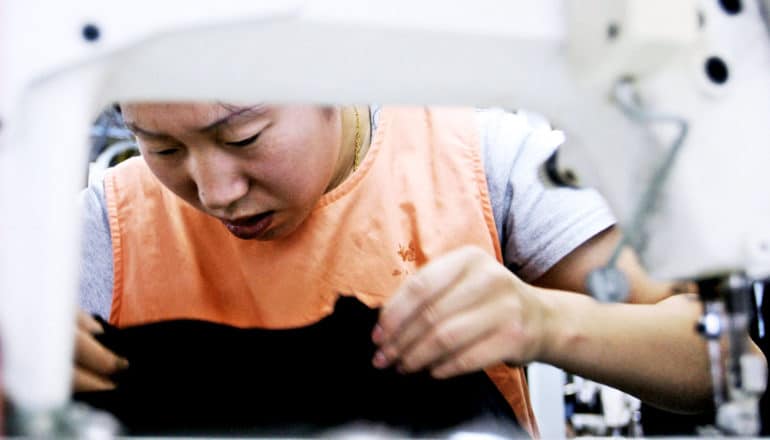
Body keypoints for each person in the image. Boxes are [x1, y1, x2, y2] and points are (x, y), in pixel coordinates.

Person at [75, 103, 732, 436]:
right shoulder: (109, 222)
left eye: (242, 138)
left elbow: (721, 360)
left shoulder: (485, 161)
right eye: (159, 146)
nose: (215, 191)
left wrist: (546, 320)